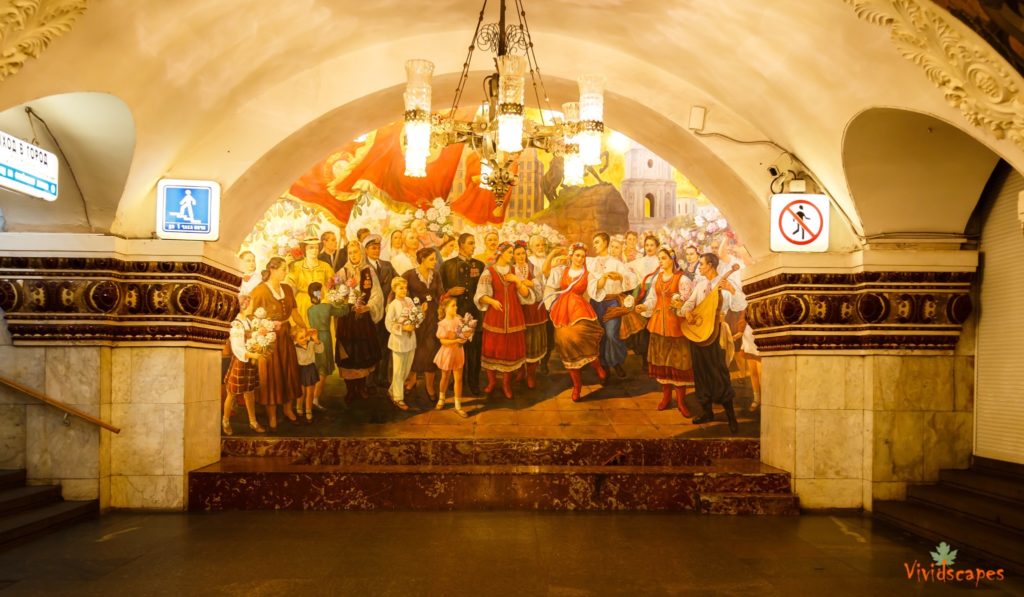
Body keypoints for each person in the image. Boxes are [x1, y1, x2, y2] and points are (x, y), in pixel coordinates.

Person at [543, 243, 608, 402]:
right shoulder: (561, 271)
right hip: (562, 310)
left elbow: (594, 288)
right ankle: (577, 386)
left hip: (580, 309)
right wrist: (552, 255)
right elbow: (546, 274)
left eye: (583, 256)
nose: (580, 259)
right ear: (571, 256)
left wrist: (604, 278)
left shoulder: (588, 274)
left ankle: (596, 364)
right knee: (565, 343)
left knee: (582, 339)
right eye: (577, 255)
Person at [635, 247, 695, 416]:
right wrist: (645, 306)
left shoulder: (682, 279)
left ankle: (681, 402)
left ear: (672, 260)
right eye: (659, 258)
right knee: (662, 362)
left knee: (678, 363)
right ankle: (666, 397)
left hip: (675, 326)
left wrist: (679, 302)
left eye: (663, 258)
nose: (660, 261)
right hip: (658, 325)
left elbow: (687, 300)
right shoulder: (657, 279)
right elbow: (653, 299)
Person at [683, 253, 740, 432]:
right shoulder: (700, 285)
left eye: (701, 264)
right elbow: (689, 304)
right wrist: (687, 312)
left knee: (719, 373)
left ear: (711, 265)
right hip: (699, 334)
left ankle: (731, 417)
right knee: (701, 373)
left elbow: (739, 304)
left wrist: (731, 289)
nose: (699, 267)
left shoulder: (722, 283)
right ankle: (707, 412)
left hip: (716, 334)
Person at [250, 257, 309, 429]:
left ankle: (288, 410)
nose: (286, 272)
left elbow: (295, 312)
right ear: (273, 270)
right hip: (268, 340)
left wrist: (305, 327)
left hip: (285, 336)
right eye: (283, 269)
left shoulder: (287, 289)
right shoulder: (260, 291)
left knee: (288, 372)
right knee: (272, 377)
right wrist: (263, 329)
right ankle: (272, 416)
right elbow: (251, 316)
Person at [475, 241, 533, 399]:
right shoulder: (489, 272)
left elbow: (526, 294)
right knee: (492, 349)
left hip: (514, 316)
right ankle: (492, 382)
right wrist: (492, 301)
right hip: (495, 316)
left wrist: (517, 280)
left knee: (510, 351)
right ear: (501, 253)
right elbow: (480, 295)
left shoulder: (515, 271)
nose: (512, 256)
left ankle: (507, 385)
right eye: (509, 253)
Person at [335, 240, 384, 402]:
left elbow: (377, 293)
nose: (353, 256)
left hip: (362, 319)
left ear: (362, 253)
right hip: (347, 319)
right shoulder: (342, 272)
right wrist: (341, 298)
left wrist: (368, 307)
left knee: (362, 352)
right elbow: (334, 293)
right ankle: (350, 390)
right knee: (348, 353)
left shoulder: (368, 270)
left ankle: (361, 387)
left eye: (356, 252)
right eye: (350, 253)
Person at [440, 233, 484, 395]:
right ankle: (457, 381)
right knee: (456, 348)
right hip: (455, 314)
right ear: (461, 245)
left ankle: (473, 382)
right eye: (471, 243)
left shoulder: (480, 265)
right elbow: (440, 290)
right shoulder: (447, 266)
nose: (474, 246)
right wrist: (449, 291)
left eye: (474, 244)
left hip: (475, 314)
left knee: (474, 351)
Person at [588, 231, 637, 378]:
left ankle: (616, 362)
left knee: (611, 334)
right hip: (596, 303)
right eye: (594, 243)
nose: (594, 245)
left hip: (612, 302)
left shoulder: (616, 263)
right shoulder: (591, 262)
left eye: (597, 242)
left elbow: (632, 278)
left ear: (605, 242)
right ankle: (603, 366)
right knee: (600, 335)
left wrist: (621, 277)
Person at [403, 247, 448, 404]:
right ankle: (412, 380)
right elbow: (401, 296)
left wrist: (442, 308)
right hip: (417, 318)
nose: (435, 262)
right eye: (431, 259)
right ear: (422, 259)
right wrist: (414, 310)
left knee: (431, 350)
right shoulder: (409, 275)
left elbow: (441, 294)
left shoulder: (435, 275)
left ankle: (429, 386)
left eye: (435, 259)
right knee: (415, 349)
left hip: (433, 318)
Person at [222, 295, 266, 435]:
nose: (253, 307)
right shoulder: (236, 324)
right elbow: (237, 348)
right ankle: (225, 421)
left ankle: (253, 422)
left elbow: (251, 338)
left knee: (250, 393)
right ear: (244, 306)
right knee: (232, 394)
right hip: (240, 362)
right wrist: (252, 355)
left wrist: (260, 335)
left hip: (249, 364)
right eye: (251, 305)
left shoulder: (247, 321)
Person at [305, 282, 349, 411]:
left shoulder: (310, 310)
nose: (324, 292)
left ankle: (312, 397)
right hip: (324, 338)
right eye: (322, 291)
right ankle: (315, 398)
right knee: (323, 370)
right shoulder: (327, 307)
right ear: (319, 293)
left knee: (318, 366)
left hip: (314, 338)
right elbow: (343, 311)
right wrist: (345, 300)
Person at [364, 235, 397, 390]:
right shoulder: (363, 267)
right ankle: (369, 380)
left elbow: (398, 282)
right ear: (366, 250)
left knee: (385, 346)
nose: (376, 250)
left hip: (386, 313)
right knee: (370, 346)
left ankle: (382, 377)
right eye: (372, 248)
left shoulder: (387, 266)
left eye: (378, 247)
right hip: (369, 315)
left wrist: (392, 296)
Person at [512, 240, 546, 388]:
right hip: (518, 311)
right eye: (518, 254)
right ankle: (520, 371)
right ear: (513, 256)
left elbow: (542, 290)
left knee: (533, 342)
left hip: (533, 312)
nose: (521, 256)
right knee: (519, 342)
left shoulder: (534, 268)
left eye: (523, 253)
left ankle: (531, 374)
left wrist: (532, 284)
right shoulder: (510, 270)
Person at [627, 235, 662, 368]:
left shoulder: (661, 261)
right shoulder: (639, 261)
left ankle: (657, 358)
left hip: (657, 294)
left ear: (657, 247)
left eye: (652, 245)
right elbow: (626, 269)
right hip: (642, 294)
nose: (649, 248)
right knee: (643, 328)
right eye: (647, 245)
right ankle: (645, 360)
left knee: (655, 326)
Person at [288, 238, 335, 330]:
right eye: (311, 248)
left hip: (321, 302)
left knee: (323, 332)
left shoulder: (325, 266)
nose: (314, 250)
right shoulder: (296, 266)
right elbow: (288, 283)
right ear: (305, 249)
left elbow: (333, 283)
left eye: (316, 248)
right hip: (303, 302)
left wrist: (332, 284)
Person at [384, 277, 416, 411]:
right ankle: (398, 398)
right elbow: (388, 323)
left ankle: (392, 390)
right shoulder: (393, 304)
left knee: (406, 369)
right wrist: (403, 328)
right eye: (400, 288)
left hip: (410, 340)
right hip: (398, 341)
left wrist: (418, 318)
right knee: (398, 370)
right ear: (394, 289)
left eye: (405, 288)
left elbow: (415, 315)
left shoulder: (409, 301)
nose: (404, 290)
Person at [434, 297, 469, 418]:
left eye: (456, 305)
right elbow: (443, 341)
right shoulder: (443, 324)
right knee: (445, 376)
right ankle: (441, 398)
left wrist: (465, 337)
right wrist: (455, 340)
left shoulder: (459, 320)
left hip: (458, 352)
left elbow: (463, 335)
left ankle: (458, 405)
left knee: (458, 379)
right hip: (447, 353)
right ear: (445, 308)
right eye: (453, 306)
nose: (456, 307)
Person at [528, 234, 556, 374]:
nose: (540, 247)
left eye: (542, 245)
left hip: (550, 301)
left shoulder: (550, 260)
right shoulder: (528, 261)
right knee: (534, 333)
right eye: (537, 245)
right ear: (531, 248)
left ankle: (545, 362)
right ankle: (531, 363)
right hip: (534, 302)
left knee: (549, 333)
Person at [293, 327, 323, 424]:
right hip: (300, 370)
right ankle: (299, 406)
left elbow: (320, 350)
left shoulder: (311, 343)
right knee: (301, 392)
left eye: (305, 336)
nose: (304, 339)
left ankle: (308, 409)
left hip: (310, 369)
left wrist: (315, 339)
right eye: (301, 338)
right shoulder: (295, 347)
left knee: (310, 392)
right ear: (295, 339)